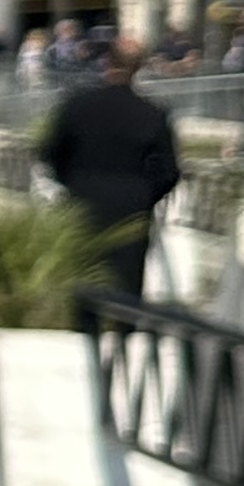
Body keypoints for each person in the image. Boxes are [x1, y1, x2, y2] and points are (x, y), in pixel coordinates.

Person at [38, 39, 182, 296]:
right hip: (131, 209)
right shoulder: (152, 114)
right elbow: (170, 172)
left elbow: (49, 152)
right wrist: (144, 195)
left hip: (81, 202)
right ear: (138, 68)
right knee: (126, 284)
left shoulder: (76, 105)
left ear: (106, 61)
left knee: (81, 279)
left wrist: (72, 182)